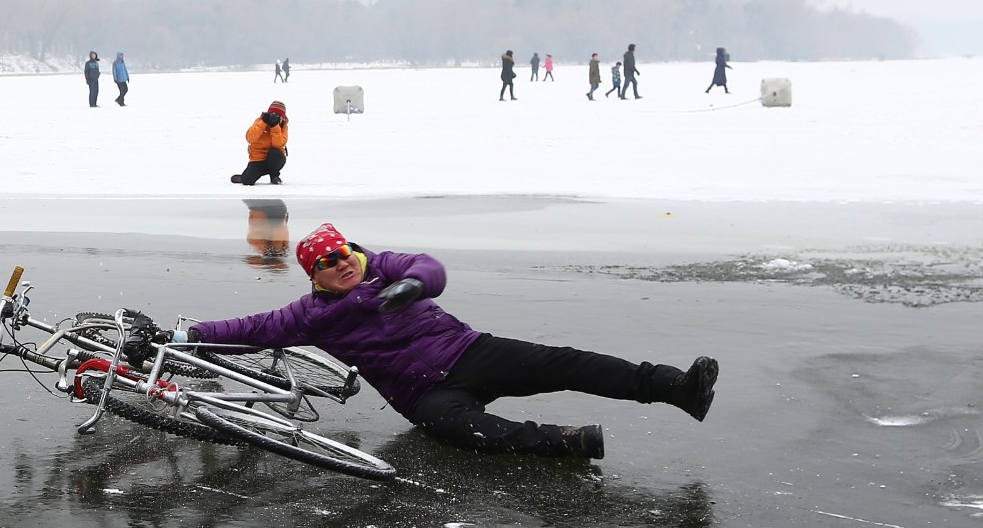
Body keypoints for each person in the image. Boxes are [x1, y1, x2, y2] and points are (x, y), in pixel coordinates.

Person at [173, 224, 719, 460]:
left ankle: (677, 388)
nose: (340, 265)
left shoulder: (384, 269)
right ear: (312, 276)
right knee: (462, 430)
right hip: (422, 395)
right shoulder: (311, 315)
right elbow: (252, 330)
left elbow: (427, 266)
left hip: (468, 351)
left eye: (341, 255)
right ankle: (567, 442)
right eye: (325, 263)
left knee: (568, 364)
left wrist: (412, 285)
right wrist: (194, 335)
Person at [230, 100, 288, 186]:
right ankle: (245, 177)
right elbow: (250, 138)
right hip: (258, 159)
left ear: (282, 117)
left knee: (275, 152)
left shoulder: (283, 126)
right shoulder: (259, 121)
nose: (274, 117)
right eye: (272, 115)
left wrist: (275, 127)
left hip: (275, 159)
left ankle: (274, 175)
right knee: (247, 181)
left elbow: (278, 144)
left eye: (278, 116)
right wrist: (263, 122)